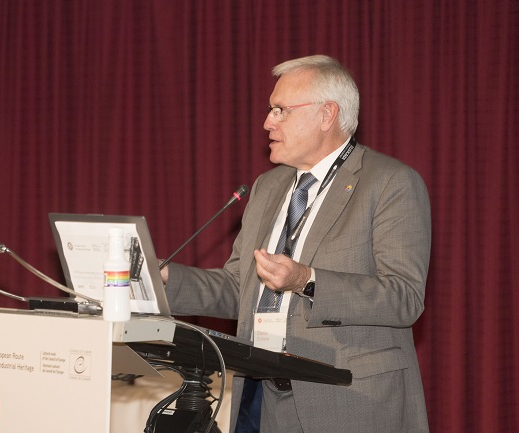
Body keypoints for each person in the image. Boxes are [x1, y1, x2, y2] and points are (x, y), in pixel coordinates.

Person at [159, 54, 431, 433]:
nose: (267, 122)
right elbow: (239, 289)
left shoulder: (389, 183)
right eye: (271, 110)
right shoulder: (267, 187)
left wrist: (307, 280)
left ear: (327, 115)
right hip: (262, 401)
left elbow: (404, 297)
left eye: (280, 110)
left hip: (350, 403)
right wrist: (162, 278)